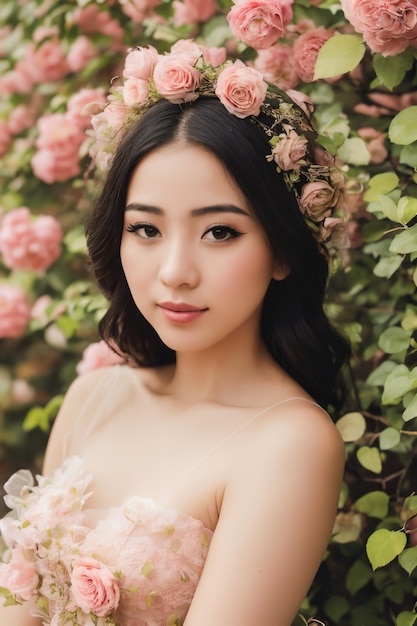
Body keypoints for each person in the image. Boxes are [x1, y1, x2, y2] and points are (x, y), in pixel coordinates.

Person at [0, 40, 351, 626]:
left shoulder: (291, 443)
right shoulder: (93, 399)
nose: (174, 273)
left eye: (219, 232)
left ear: (283, 250)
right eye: (145, 229)